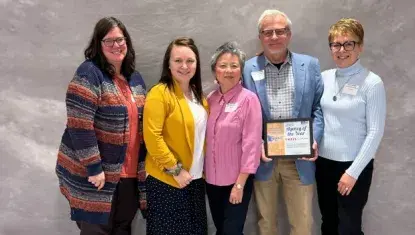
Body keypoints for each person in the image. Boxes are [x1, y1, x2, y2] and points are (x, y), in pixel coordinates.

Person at [55, 17, 147, 235]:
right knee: (96, 231)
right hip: (97, 176)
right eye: (109, 41)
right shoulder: (89, 74)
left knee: (122, 228)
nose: (116, 45)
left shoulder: (136, 79)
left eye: (120, 39)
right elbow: (80, 126)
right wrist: (94, 168)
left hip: (129, 175)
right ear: (98, 44)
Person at [242, 9, 324, 235]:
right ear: (260, 37)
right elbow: (244, 116)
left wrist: (314, 139)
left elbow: (318, 108)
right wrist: (256, 144)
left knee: (302, 224)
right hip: (264, 158)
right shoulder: (248, 68)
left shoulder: (310, 65)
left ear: (289, 34)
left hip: (300, 158)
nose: (274, 37)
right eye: (268, 32)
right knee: (265, 223)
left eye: (280, 31)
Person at [316, 18, 386, 235]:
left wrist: (353, 172)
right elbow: (317, 116)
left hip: (354, 166)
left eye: (349, 44)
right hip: (324, 164)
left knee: (349, 227)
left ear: (360, 47)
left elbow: (375, 132)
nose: (341, 50)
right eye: (336, 45)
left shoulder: (372, 83)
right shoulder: (324, 78)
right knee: (328, 222)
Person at [143, 37, 208, 235]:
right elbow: (152, 137)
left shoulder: (198, 96)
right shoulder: (159, 93)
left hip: (195, 182)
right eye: (178, 60)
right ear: (168, 64)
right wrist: (175, 170)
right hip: (168, 181)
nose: (184, 66)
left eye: (190, 61)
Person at [205, 42, 262, 235]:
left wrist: (239, 184)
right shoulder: (209, 99)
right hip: (211, 181)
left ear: (241, 70)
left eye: (234, 65)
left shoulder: (249, 99)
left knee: (232, 232)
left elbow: (252, 145)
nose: (228, 70)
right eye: (223, 66)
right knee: (221, 229)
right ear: (215, 71)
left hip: (236, 182)